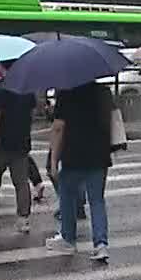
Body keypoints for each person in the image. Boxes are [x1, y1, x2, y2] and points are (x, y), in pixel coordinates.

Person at [46, 80, 116, 262]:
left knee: (67, 195)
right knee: (97, 200)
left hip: (73, 154)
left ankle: (68, 238)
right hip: (99, 154)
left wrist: (53, 160)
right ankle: (101, 244)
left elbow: (59, 128)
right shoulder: (104, 92)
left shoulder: (66, 93)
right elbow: (112, 120)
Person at [0, 78, 36, 232]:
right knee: (21, 183)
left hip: (1, 142)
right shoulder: (26, 85)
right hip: (21, 142)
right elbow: (32, 111)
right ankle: (23, 219)